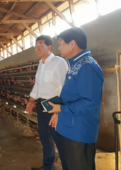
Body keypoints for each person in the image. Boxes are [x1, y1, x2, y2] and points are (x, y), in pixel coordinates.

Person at [48, 27, 104, 170]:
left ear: (72, 44)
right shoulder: (75, 65)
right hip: (69, 128)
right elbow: (72, 95)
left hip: (79, 132)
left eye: (61, 43)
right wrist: (58, 112)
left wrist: (61, 108)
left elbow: (90, 102)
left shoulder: (86, 66)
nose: (59, 47)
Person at [25, 35, 69, 170]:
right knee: (45, 138)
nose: (37, 48)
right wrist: (31, 101)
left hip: (54, 103)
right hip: (42, 104)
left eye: (40, 45)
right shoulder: (41, 64)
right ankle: (48, 166)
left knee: (59, 139)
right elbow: (37, 85)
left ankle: (68, 166)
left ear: (49, 47)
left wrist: (59, 110)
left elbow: (66, 86)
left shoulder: (58, 62)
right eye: (36, 45)